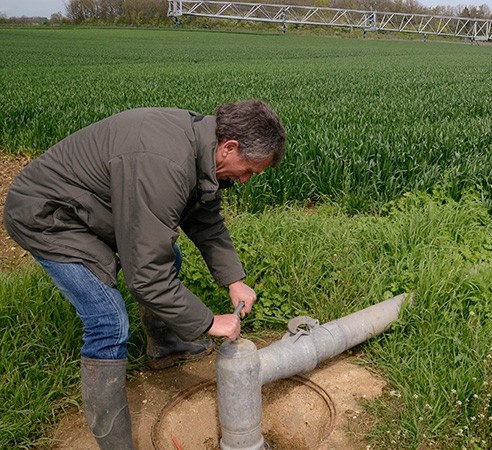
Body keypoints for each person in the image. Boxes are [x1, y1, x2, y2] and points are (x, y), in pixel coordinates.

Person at [3, 99, 286, 449]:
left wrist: (234, 279)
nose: (244, 181)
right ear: (230, 147)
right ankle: (116, 443)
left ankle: (166, 348)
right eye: (249, 170)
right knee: (108, 321)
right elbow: (147, 277)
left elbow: (205, 220)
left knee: (170, 255)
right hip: (48, 217)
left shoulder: (202, 147)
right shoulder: (163, 163)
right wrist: (209, 322)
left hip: (90, 209)